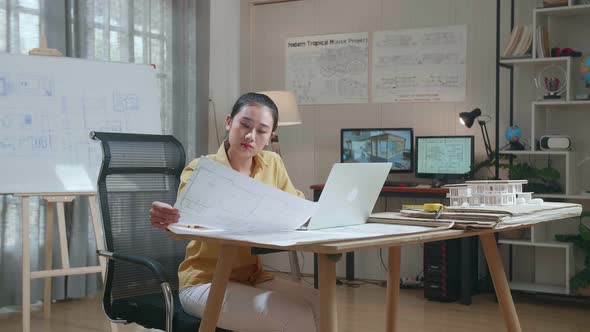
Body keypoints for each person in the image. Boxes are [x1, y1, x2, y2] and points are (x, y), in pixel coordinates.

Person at [149, 92, 319, 332]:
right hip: (204, 282)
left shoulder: (273, 163)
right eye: (245, 125)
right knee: (293, 316)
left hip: (254, 278)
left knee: (320, 303)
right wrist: (169, 219)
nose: (250, 135)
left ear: (271, 137)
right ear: (229, 122)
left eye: (261, 131)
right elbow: (184, 224)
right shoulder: (203, 169)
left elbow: (297, 206)